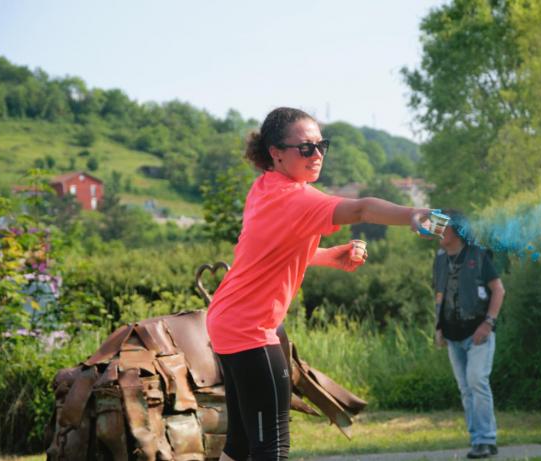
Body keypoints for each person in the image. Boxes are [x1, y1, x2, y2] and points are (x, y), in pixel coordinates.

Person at [206, 107, 430, 461]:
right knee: (271, 448)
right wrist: (414, 216)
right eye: (306, 148)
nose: (318, 154)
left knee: (240, 445)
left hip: (226, 321)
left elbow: (278, 248)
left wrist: (331, 256)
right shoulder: (296, 198)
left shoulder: (266, 187)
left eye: (321, 145)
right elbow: (361, 210)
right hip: (250, 329)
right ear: (276, 152)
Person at [432, 210, 505, 459]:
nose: (439, 232)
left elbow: (498, 290)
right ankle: (477, 442)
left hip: (478, 334)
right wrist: (438, 327)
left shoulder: (478, 255)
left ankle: (487, 439)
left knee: (477, 382)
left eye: (444, 227)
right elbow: (439, 295)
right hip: (452, 336)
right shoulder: (440, 259)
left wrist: (488, 323)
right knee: (465, 389)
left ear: (457, 230)